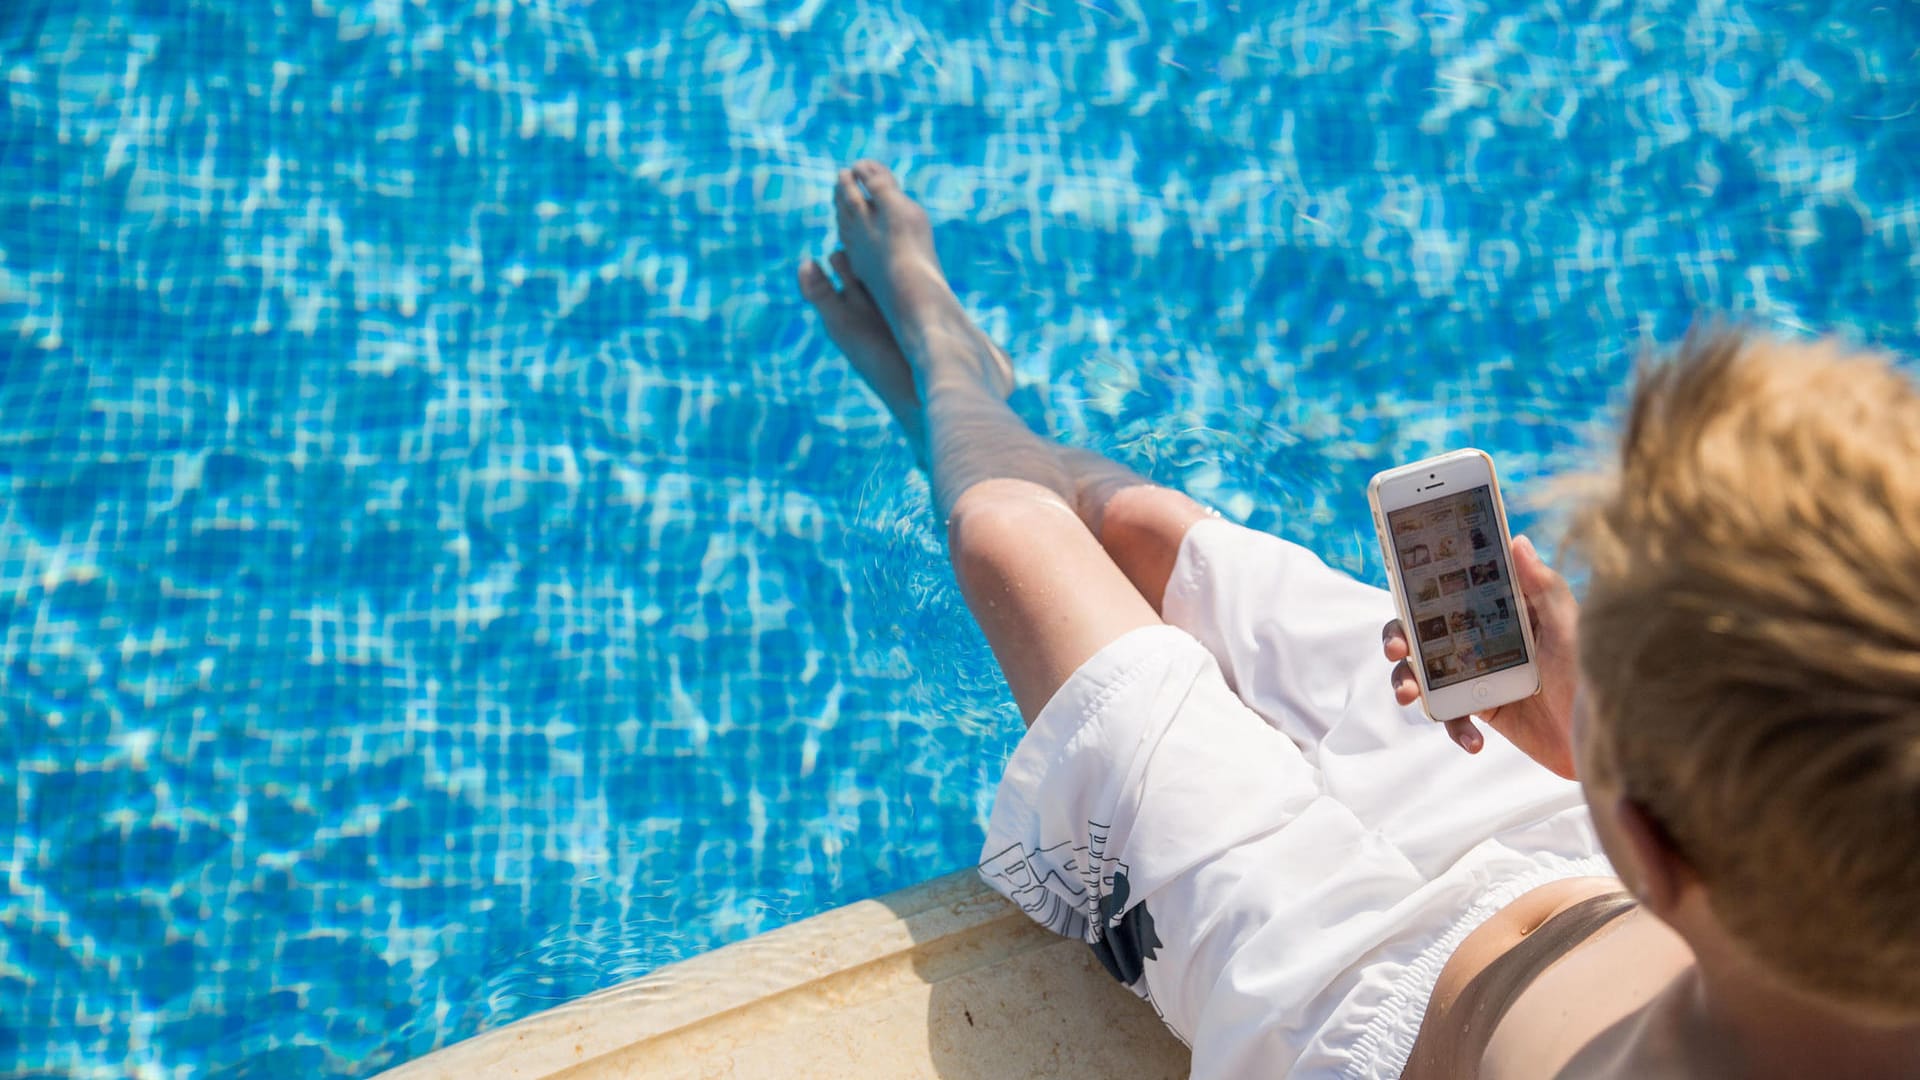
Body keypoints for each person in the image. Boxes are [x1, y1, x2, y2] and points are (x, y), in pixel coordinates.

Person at [797, 160, 1920, 1079]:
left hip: (1344, 1003)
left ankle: (954, 387)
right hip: (1553, 839)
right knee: (1146, 530)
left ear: (1661, 839)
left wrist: (1603, 747)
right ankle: (972, 404)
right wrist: (1588, 734)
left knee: (1010, 538)